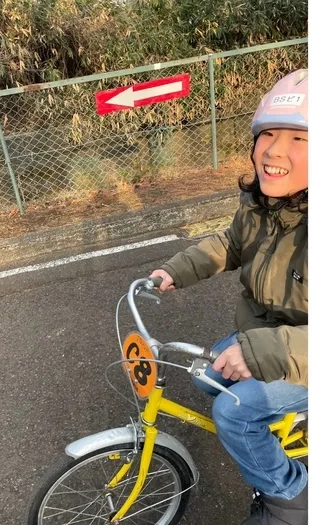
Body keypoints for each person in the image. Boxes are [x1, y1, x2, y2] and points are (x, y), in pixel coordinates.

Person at [149, 70, 308, 524]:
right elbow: (229, 245)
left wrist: (263, 350)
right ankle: (270, 432)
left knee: (233, 413)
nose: (275, 151)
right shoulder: (263, 205)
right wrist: (173, 271)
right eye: (268, 135)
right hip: (266, 336)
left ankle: (290, 495)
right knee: (205, 375)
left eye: (298, 138)